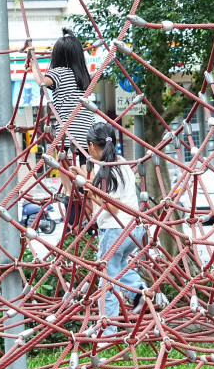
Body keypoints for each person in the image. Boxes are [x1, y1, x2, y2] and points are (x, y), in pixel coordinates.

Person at [57, 122, 150, 333]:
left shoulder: (108, 170)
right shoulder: (120, 162)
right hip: (134, 230)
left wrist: (90, 194)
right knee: (119, 268)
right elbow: (97, 178)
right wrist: (79, 172)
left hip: (116, 230)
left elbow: (113, 207)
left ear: (91, 146)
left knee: (107, 281)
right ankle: (140, 291)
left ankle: (107, 330)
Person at [31, 30, 96, 233]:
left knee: (68, 182)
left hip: (67, 134)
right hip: (88, 134)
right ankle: (92, 218)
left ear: (57, 56)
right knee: (88, 182)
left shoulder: (58, 73)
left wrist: (33, 64)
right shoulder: (84, 76)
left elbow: (41, 80)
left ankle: (72, 221)